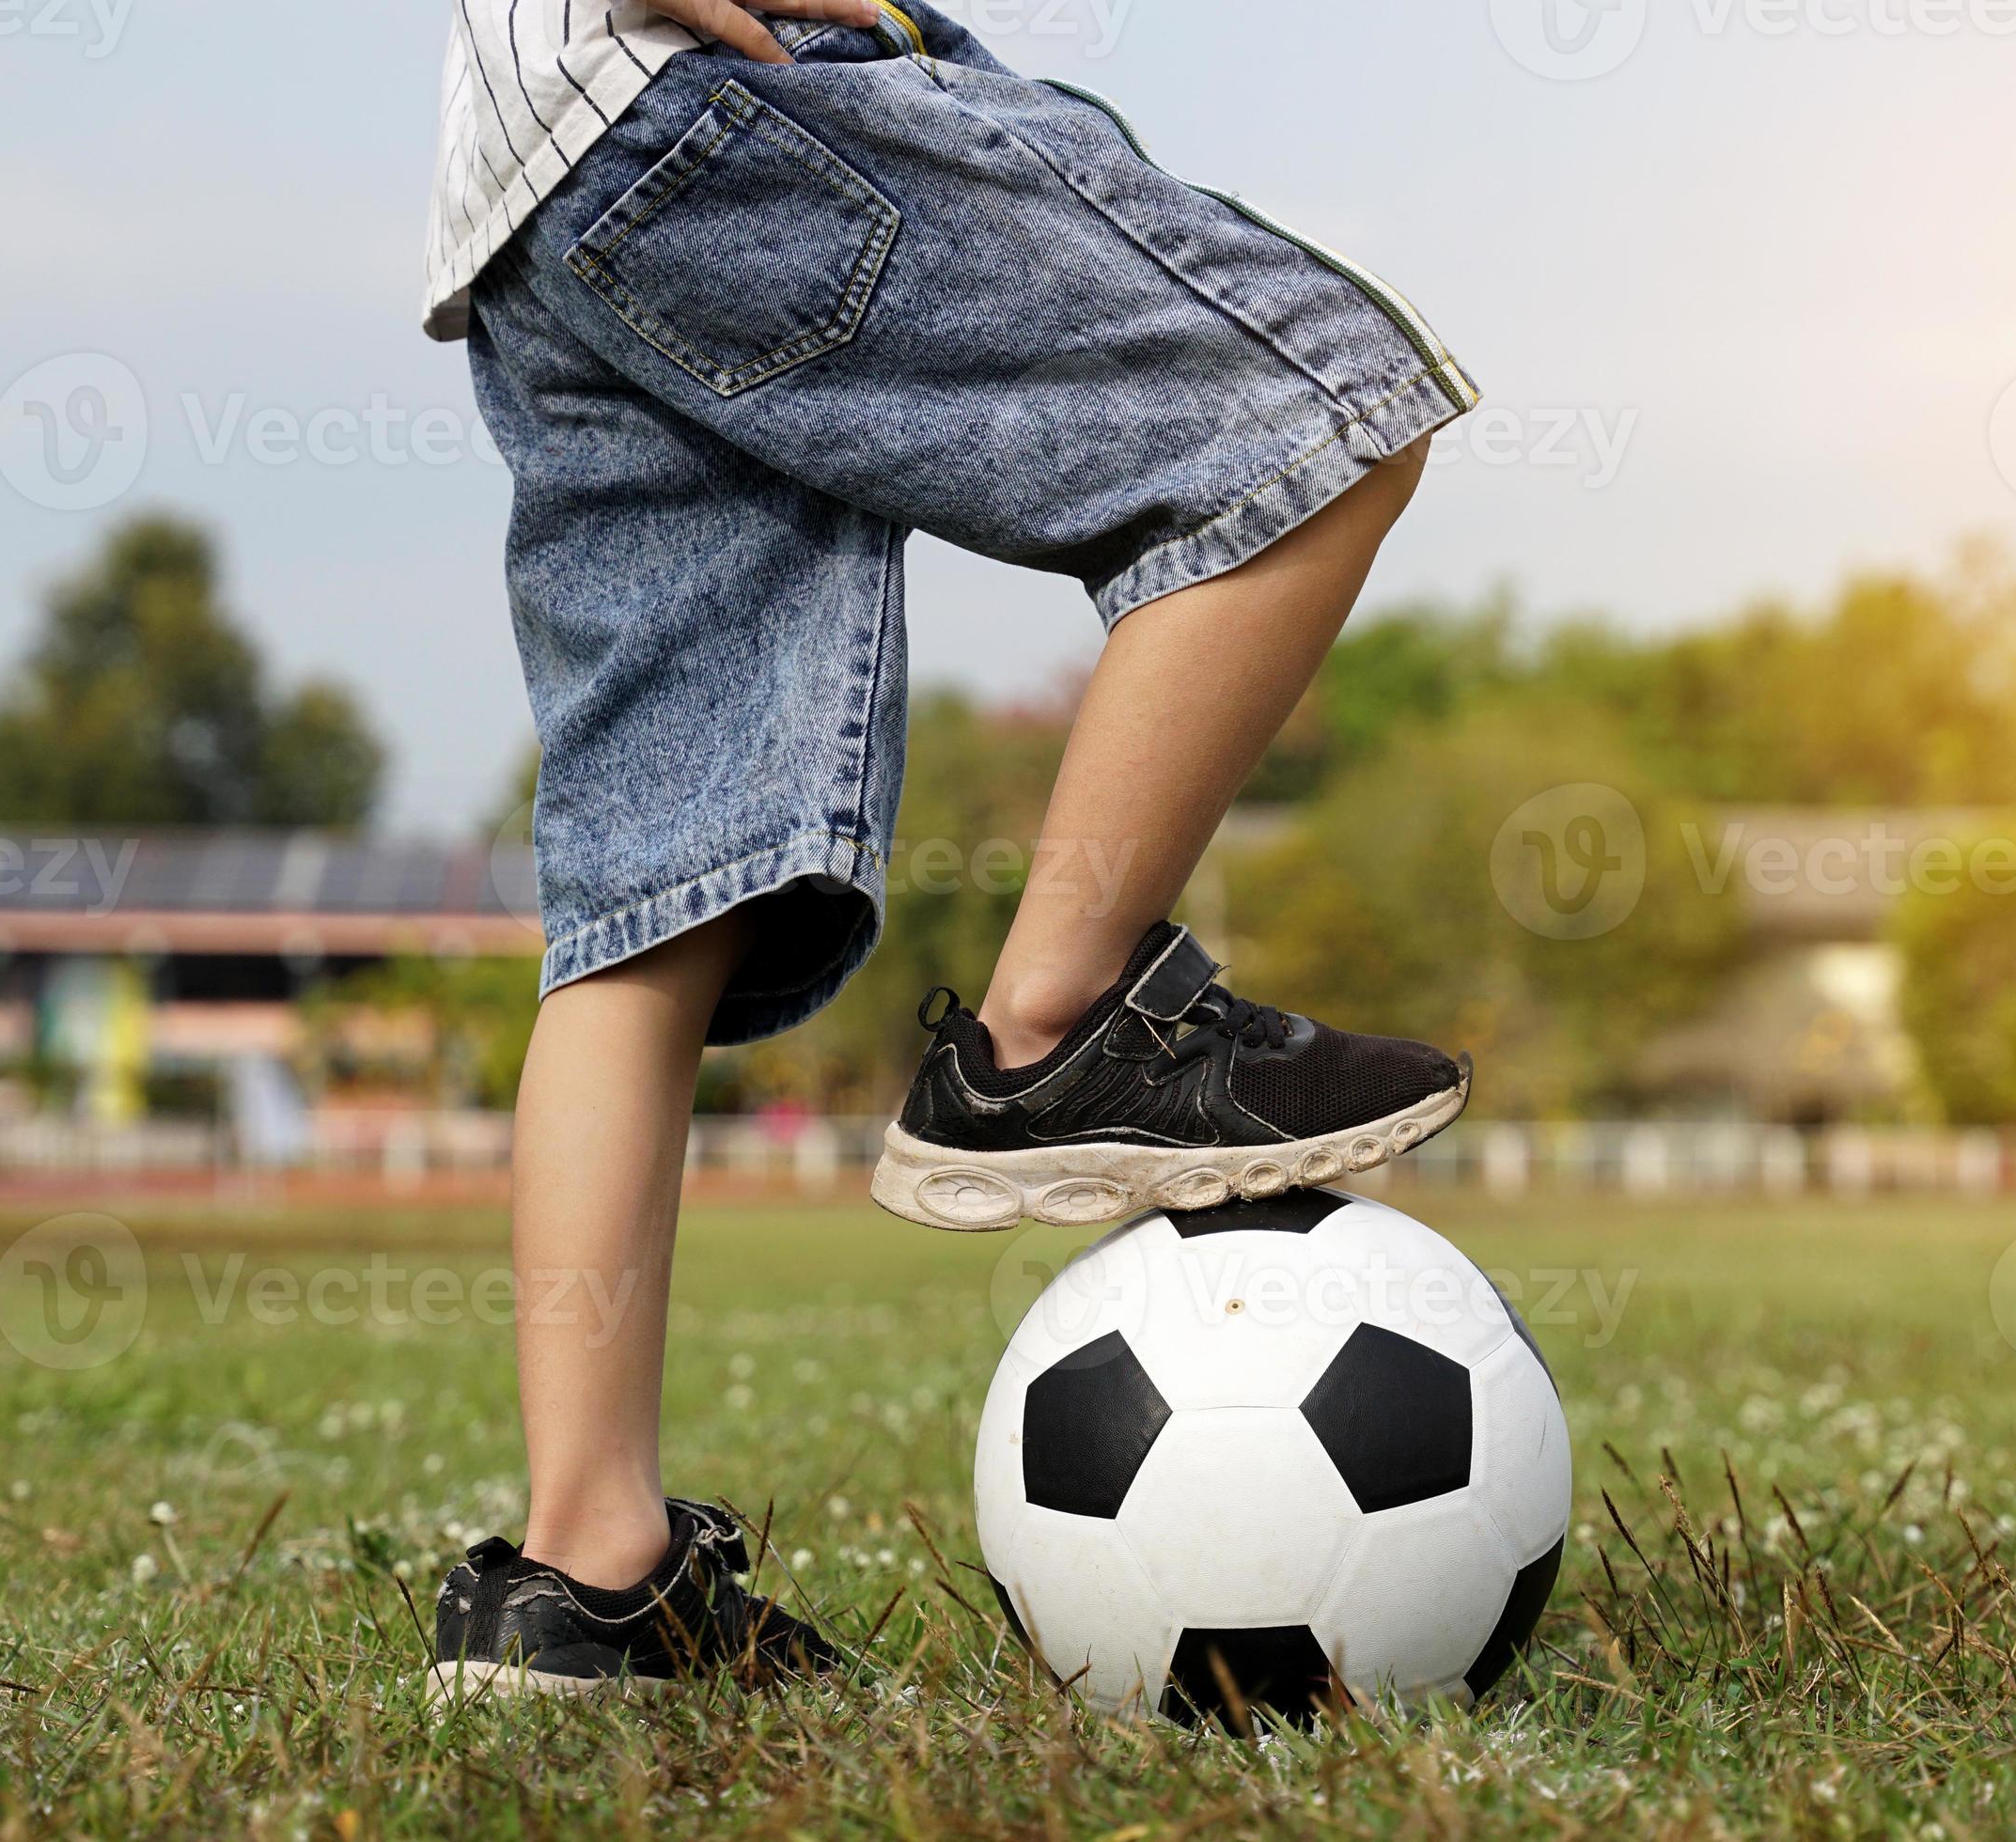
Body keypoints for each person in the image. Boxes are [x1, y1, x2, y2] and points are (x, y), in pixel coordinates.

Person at [421, 0, 1479, 1696]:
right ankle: (1057, 1032)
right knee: (1317, 421)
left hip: (540, 174)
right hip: (716, 98)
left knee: (655, 887)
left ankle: (587, 1579)